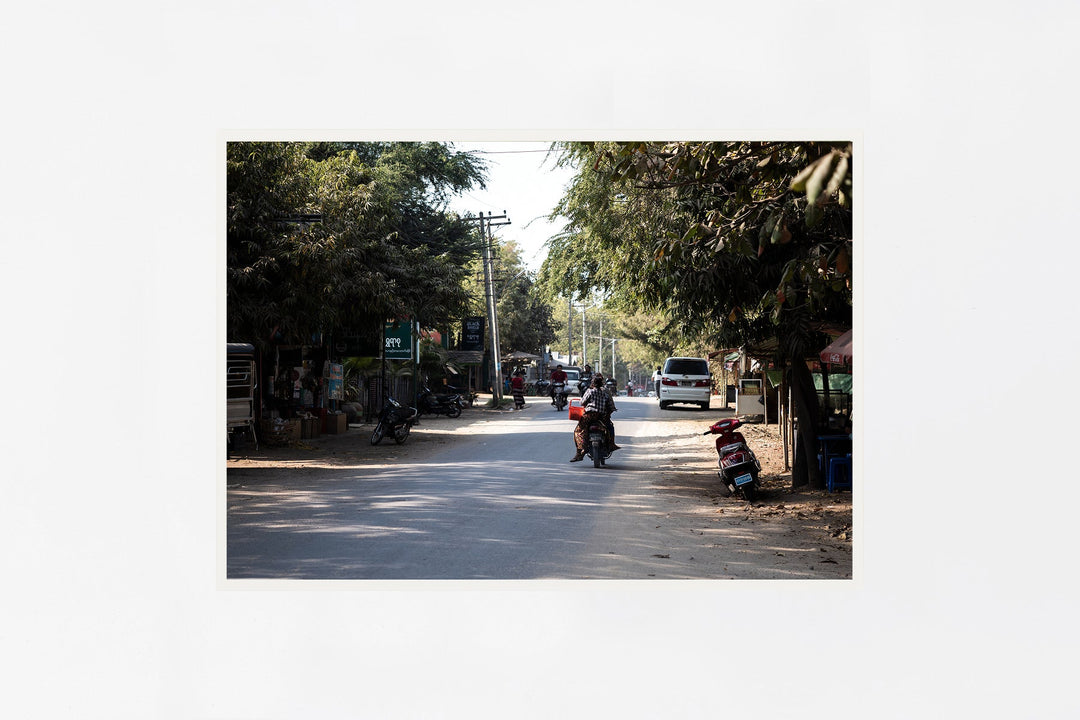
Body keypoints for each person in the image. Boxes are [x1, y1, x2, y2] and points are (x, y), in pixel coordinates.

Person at [570, 375, 620, 462]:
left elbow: (582, 402)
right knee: (609, 427)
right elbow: (611, 406)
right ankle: (611, 445)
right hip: (602, 417)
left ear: (592, 383)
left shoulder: (590, 391)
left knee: (579, 431)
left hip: (590, 416)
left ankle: (580, 451)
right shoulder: (605, 393)